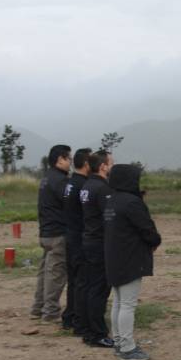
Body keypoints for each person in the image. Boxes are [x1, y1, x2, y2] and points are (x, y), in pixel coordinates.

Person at [104, 163, 161, 360]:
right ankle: (127, 348)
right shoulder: (131, 202)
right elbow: (147, 229)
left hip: (114, 258)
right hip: (130, 259)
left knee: (119, 302)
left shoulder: (111, 200)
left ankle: (119, 342)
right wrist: (155, 241)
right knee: (127, 304)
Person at [79, 149, 115, 349]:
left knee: (90, 287)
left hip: (88, 240)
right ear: (103, 166)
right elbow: (110, 218)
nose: (111, 166)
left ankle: (87, 329)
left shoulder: (87, 185)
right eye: (110, 163)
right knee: (99, 290)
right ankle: (97, 333)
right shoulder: (103, 189)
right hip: (99, 243)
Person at [31, 145, 70, 322]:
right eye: (68, 158)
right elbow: (69, 205)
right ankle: (51, 312)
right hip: (57, 233)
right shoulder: (60, 181)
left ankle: (37, 308)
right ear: (60, 160)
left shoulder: (46, 178)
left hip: (45, 233)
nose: (70, 162)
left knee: (45, 272)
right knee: (56, 273)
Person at [61, 148, 92, 336]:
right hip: (80, 239)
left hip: (70, 237)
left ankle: (70, 316)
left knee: (74, 281)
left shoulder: (71, 183)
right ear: (87, 164)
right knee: (81, 282)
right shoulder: (83, 186)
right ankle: (79, 319)